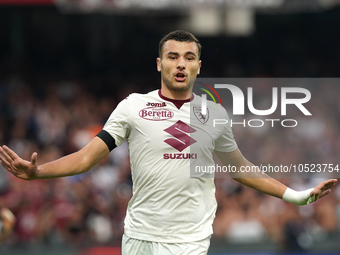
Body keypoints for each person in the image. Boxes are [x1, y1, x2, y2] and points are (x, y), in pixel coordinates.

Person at [0, 30, 337, 255]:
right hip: (140, 237)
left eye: (189, 57)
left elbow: (239, 169)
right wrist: (38, 171)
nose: (181, 63)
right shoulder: (133, 106)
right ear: (160, 63)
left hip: (189, 240)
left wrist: (296, 196)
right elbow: (88, 157)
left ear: (198, 66)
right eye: (173, 56)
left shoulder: (214, 114)